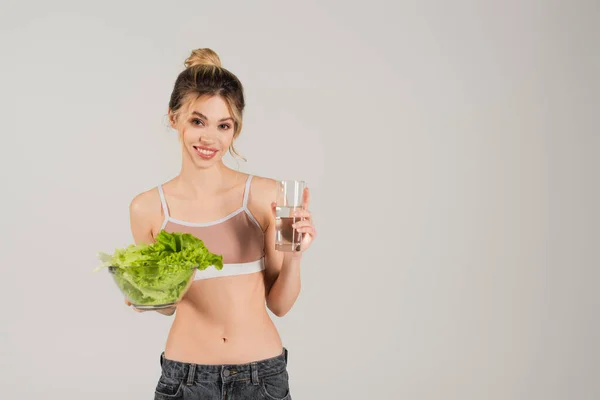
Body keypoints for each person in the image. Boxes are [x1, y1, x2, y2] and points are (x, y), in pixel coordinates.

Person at [124, 48, 316, 400]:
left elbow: (280, 305)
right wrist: (145, 293)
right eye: (198, 121)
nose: (210, 138)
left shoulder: (264, 196)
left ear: (235, 130)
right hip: (185, 379)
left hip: (262, 377)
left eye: (223, 126)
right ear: (173, 118)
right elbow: (166, 307)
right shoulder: (148, 208)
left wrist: (295, 257)